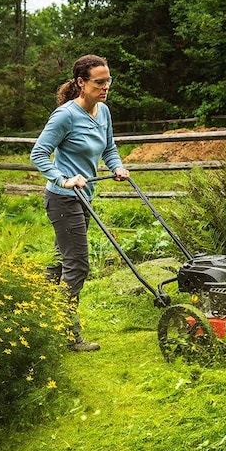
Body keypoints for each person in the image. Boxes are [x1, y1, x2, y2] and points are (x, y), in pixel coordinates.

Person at [31, 54, 129, 352]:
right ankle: (67, 334)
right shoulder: (65, 116)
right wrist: (64, 179)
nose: (105, 87)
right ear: (81, 83)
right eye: (99, 82)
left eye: (107, 81)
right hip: (63, 199)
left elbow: (109, 148)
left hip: (83, 198)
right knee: (77, 266)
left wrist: (117, 166)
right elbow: (38, 154)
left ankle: (35, 309)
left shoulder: (104, 113)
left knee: (63, 262)